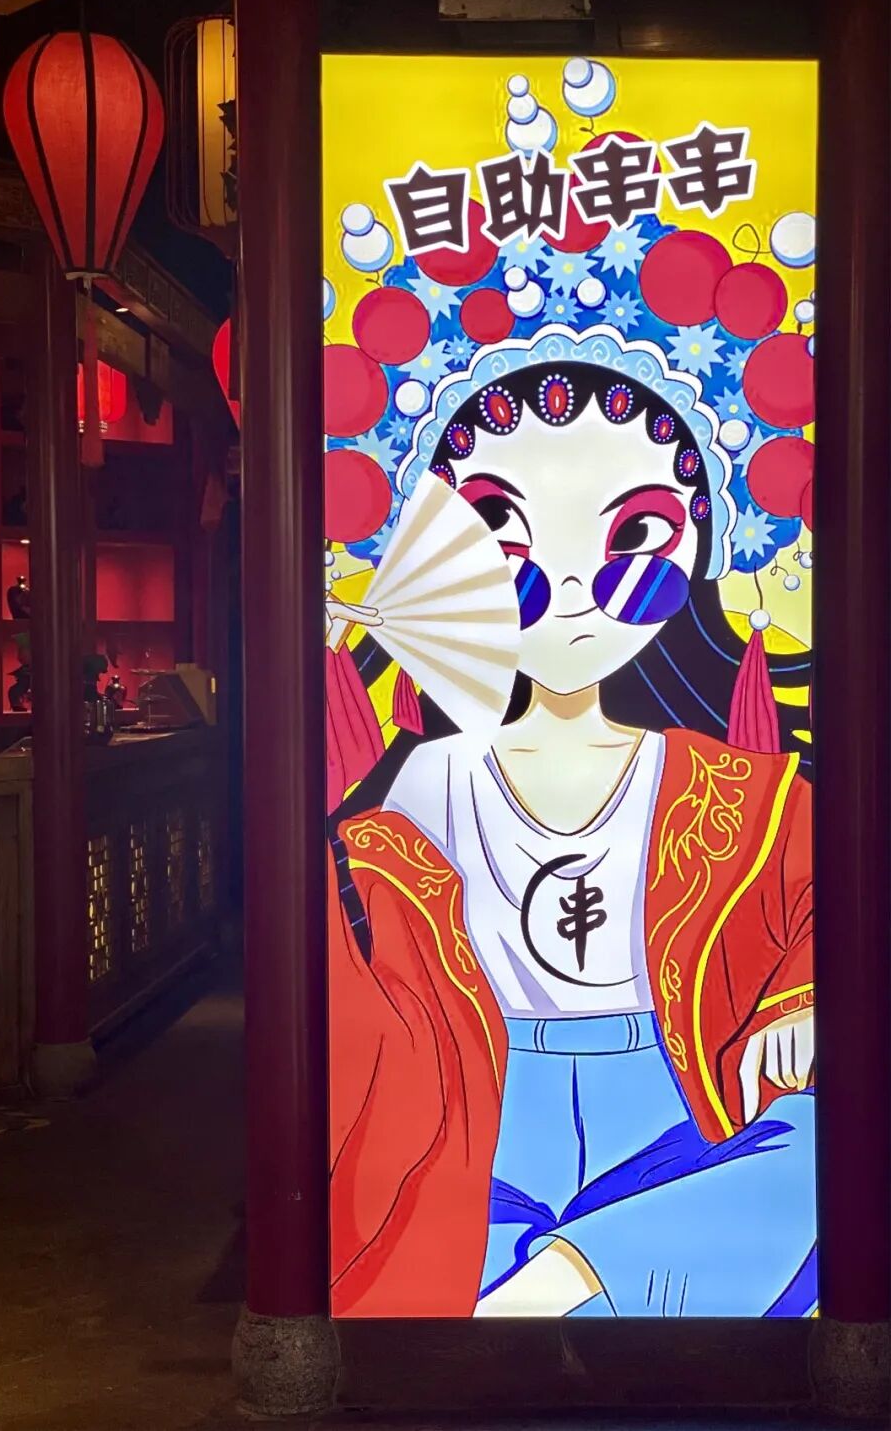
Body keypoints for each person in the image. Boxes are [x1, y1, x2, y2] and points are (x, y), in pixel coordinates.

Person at [326, 329, 815, 1319]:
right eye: (502, 534)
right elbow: (360, 988)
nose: (576, 588)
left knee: (819, 1149)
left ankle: (551, 1286)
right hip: (479, 1115)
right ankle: (585, 1277)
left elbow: (823, 909)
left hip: (681, 1108)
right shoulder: (423, 780)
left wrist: (800, 1002)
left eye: (633, 536)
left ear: (700, 543)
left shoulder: (742, 787)